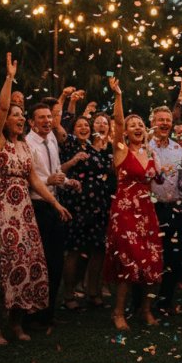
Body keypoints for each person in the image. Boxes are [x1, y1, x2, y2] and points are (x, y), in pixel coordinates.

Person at [0, 54, 71, 345]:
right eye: (16, 115)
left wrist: (56, 203)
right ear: (4, 119)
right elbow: (4, 105)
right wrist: (9, 78)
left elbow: (34, 180)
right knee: (4, 264)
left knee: (26, 262)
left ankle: (17, 322)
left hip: (25, 211)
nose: (20, 118)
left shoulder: (23, 147)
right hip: (2, 210)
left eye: (23, 116)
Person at [102, 77, 165, 331]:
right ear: (126, 133)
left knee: (152, 260)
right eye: (132, 125)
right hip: (126, 210)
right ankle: (118, 313)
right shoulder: (121, 150)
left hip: (147, 210)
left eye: (140, 124)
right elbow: (117, 122)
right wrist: (118, 95)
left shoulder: (150, 153)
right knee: (127, 262)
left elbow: (158, 180)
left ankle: (145, 310)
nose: (137, 127)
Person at [25, 101, 79, 329]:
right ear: (31, 122)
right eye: (42, 118)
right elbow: (30, 179)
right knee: (39, 263)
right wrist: (49, 181)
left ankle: (48, 313)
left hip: (55, 205)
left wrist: (68, 182)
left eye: (49, 117)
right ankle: (32, 316)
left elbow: (56, 172)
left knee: (56, 262)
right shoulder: (27, 143)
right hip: (37, 207)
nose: (47, 121)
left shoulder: (52, 140)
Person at [56, 114, 115, 310]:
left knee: (98, 249)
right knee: (75, 250)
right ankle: (68, 295)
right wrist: (73, 161)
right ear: (73, 130)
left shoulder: (94, 148)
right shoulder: (69, 146)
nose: (84, 128)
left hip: (99, 205)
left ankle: (93, 292)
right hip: (77, 206)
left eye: (86, 125)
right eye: (79, 126)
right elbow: (60, 171)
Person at [149, 106, 182, 315]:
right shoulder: (145, 147)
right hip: (151, 208)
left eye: (167, 120)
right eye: (160, 120)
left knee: (174, 256)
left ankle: (165, 302)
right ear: (152, 123)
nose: (165, 123)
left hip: (174, 208)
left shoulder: (177, 149)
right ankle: (143, 303)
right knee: (150, 255)